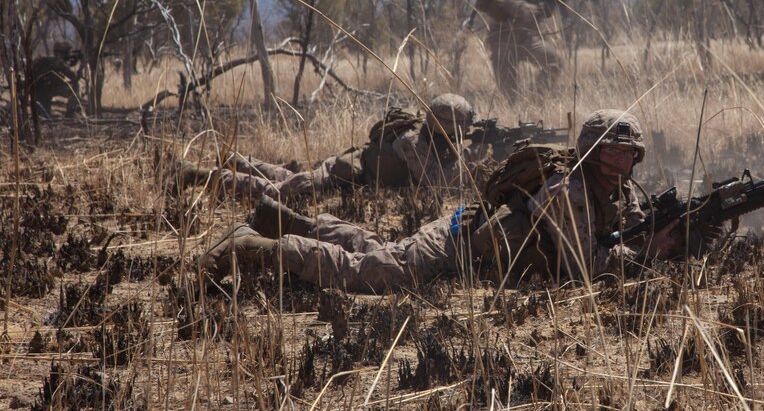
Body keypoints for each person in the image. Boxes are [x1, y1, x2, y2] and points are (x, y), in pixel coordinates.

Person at [199, 109, 692, 292]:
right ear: (588, 152)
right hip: (455, 245)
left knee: (375, 247)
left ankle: (283, 220)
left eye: (628, 156)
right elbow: (586, 265)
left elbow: (629, 228)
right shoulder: (569, 190)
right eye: (610, 152)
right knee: (372, 273)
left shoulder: (616, 188)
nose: (619, 164)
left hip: (470, 241)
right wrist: (644, 255)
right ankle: (255, 246)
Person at [175, 94, 479, 203]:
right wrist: (470, 160)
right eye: (459, 128)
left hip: (354, 178)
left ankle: (237, 160)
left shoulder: (438, 143)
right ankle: (202, 175)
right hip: (344, 172)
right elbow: (435, 182)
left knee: (284, 177)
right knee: (279, 191)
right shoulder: (413, 142)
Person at [473, 0, 564, 97]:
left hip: (523, 39)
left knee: (553, 62)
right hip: (504, 41)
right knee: (511, 96)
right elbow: (512, 3)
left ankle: (536, 99)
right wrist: (537, 9)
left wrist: (551, 4)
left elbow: (540, 11)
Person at [29, 41, 82, 119]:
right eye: (68, 53)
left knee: (44, 116)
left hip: (38, 91)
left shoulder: (45, 60)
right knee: (75, 87)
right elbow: (73, 76)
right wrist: (78, 67)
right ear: (63, 53)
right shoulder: (58, 62)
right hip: (49, 89)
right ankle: (70, 113)